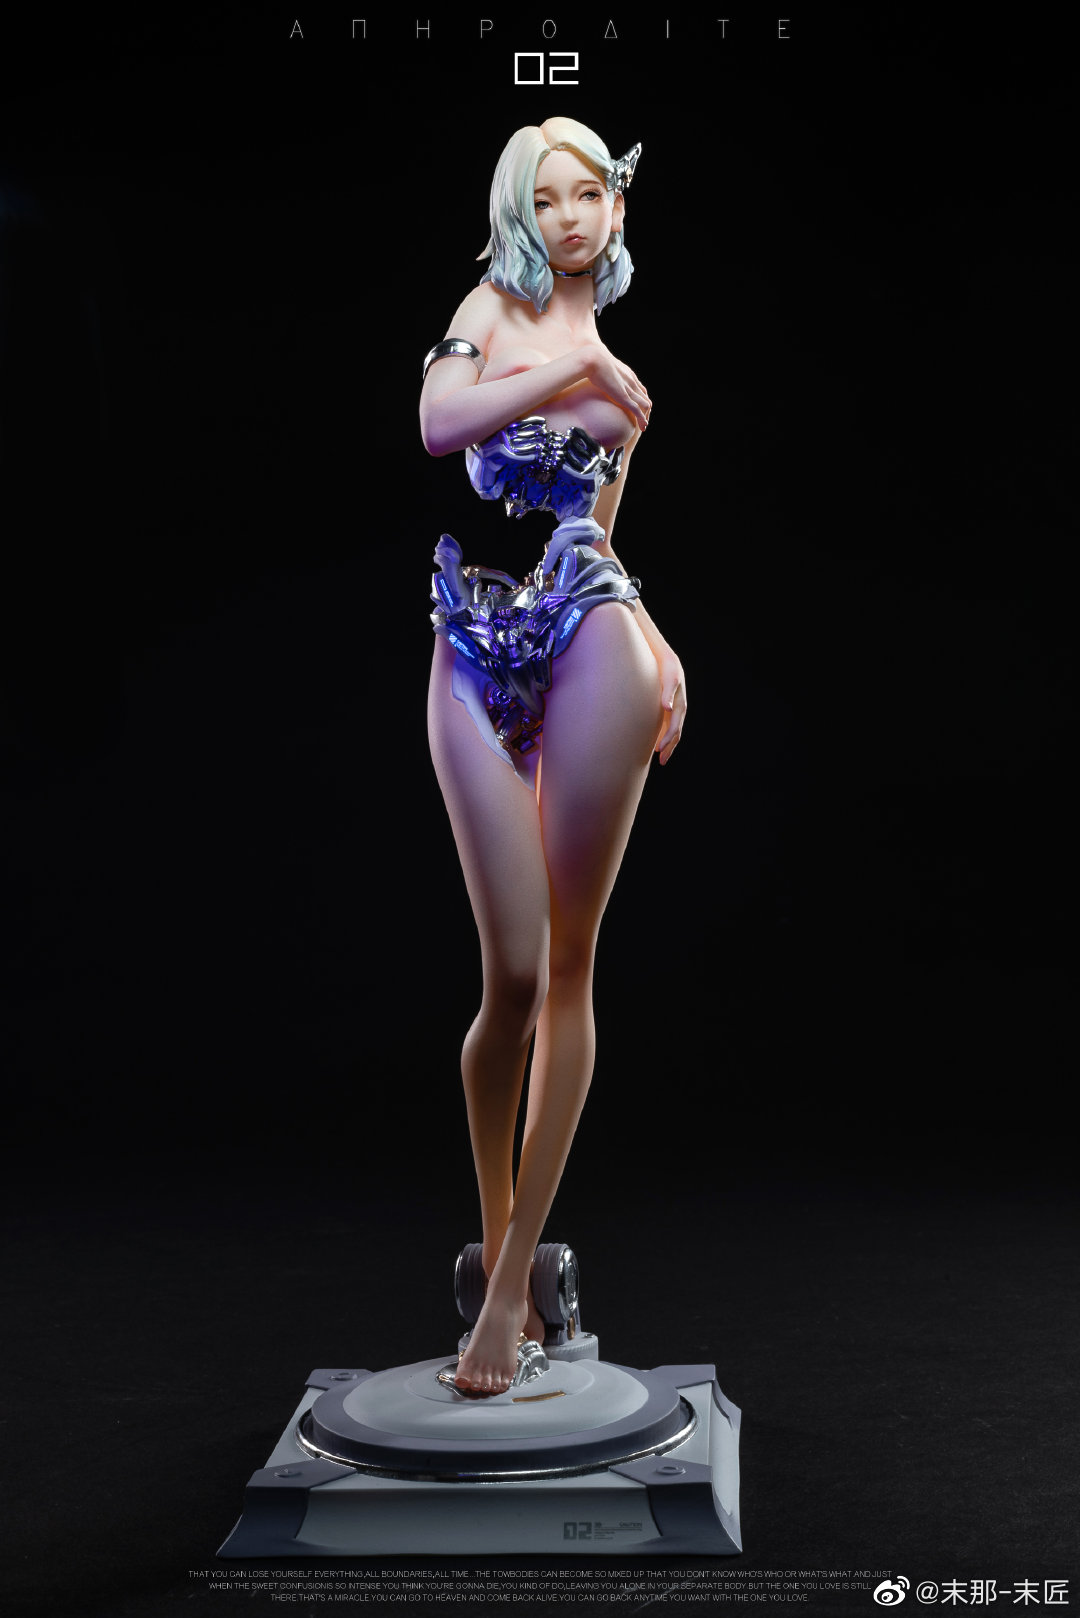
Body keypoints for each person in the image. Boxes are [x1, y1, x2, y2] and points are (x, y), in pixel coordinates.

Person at [421, 117, 686, 1396]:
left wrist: (657, 638)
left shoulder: (627, 388)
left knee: (569, 967)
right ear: (519, 210)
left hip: (589, 635)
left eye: (590, 193)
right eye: (548, 196)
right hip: (476, 640)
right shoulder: (492, 312)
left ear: (618, 209)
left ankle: (514, 1277)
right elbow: (437, 424)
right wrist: (573, 368)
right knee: (511, 975)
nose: (571, 215)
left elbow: (594, 540)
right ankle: (496, 1252)